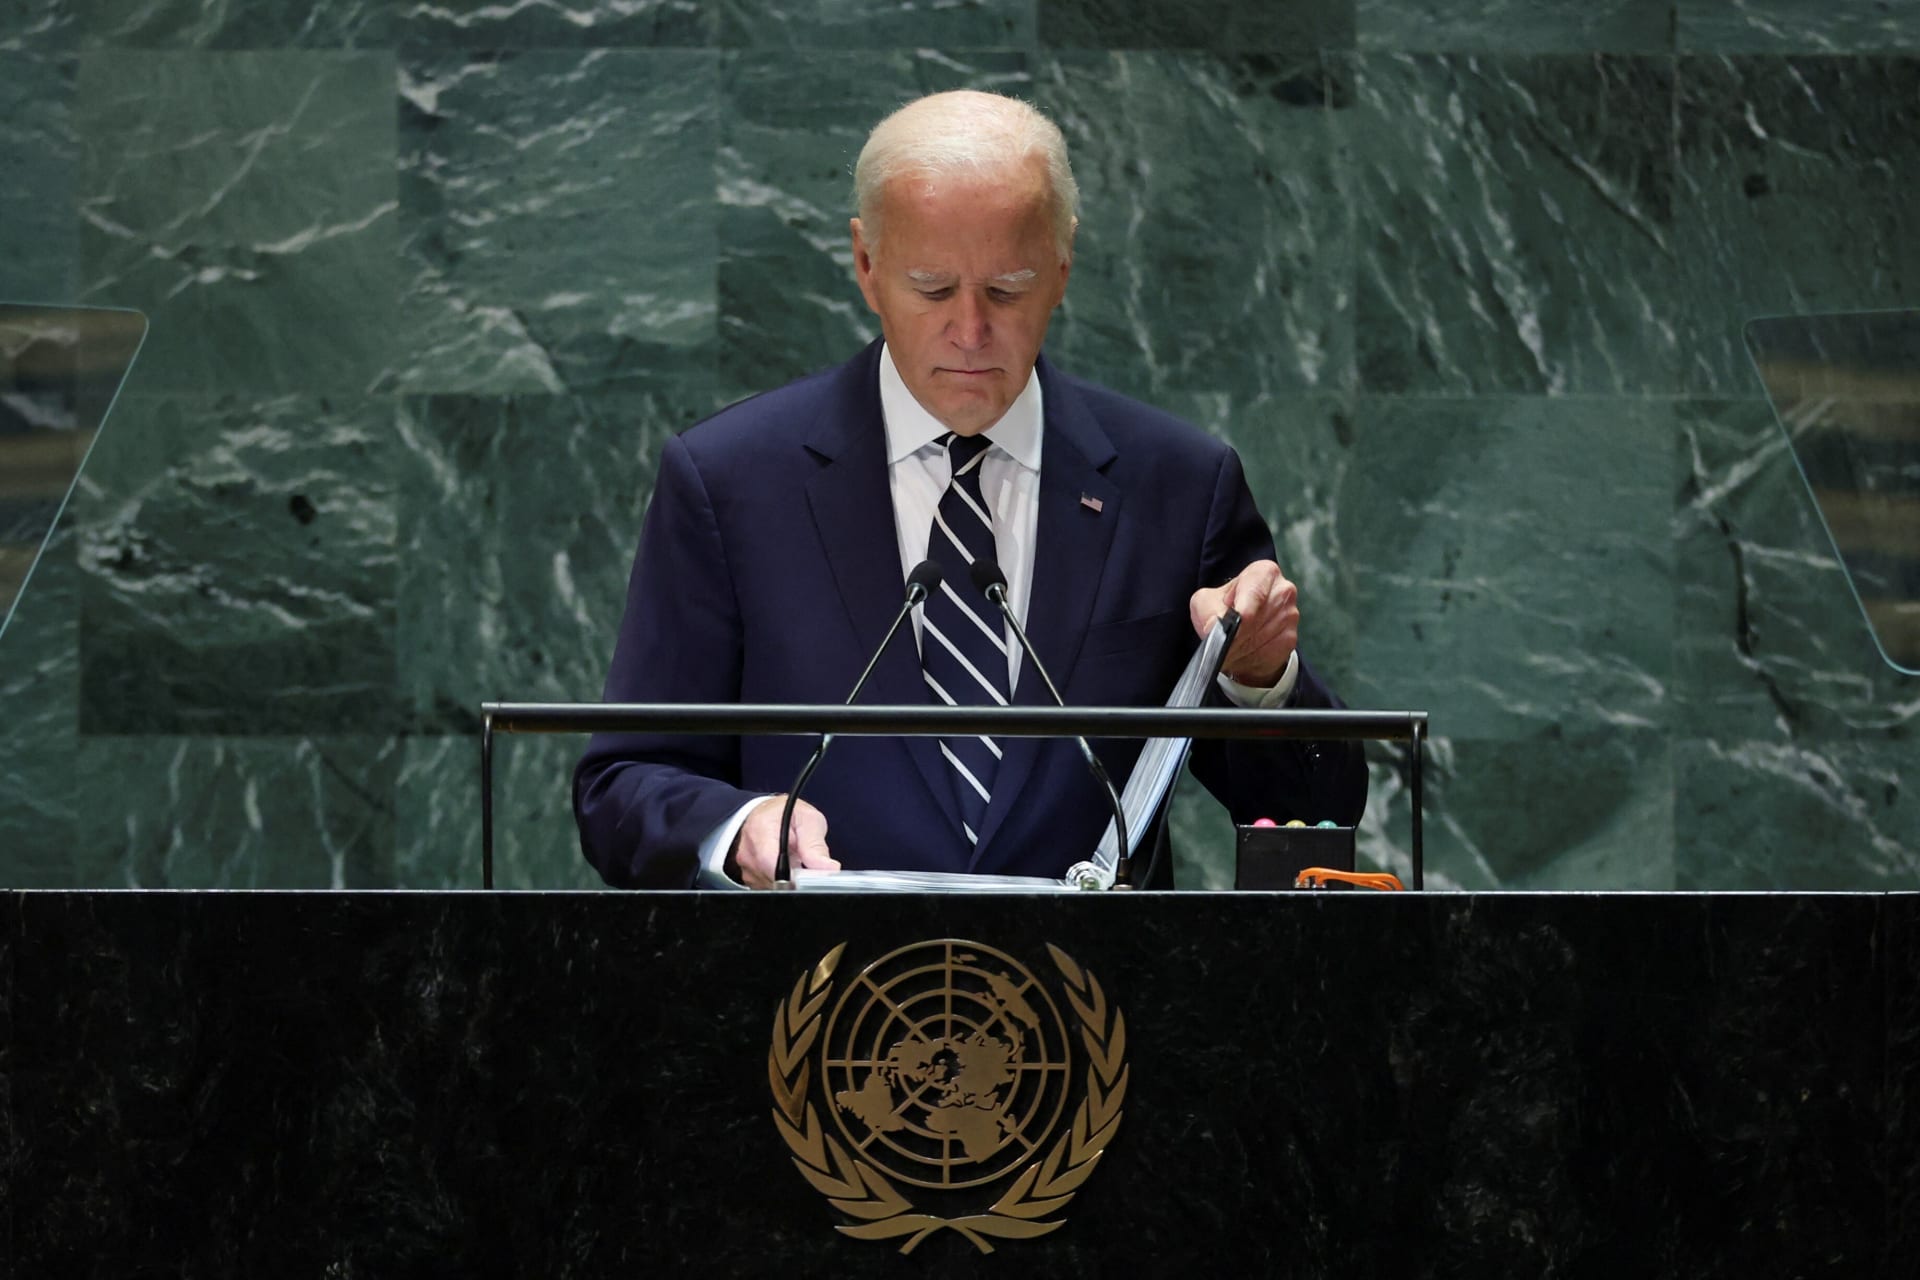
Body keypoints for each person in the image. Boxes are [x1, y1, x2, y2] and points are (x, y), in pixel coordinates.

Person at [574, 89, 1366, 889]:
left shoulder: (1178, 485)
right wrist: (741, 825)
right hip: (815, 999)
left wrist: (1260, 680)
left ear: (1062, 267)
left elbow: (1315, 805)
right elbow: (624, 785)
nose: (971, 331)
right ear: (866, 266)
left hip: (1093, 1004)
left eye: (1007, 289)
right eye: (932, 289)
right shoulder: (729, 481)